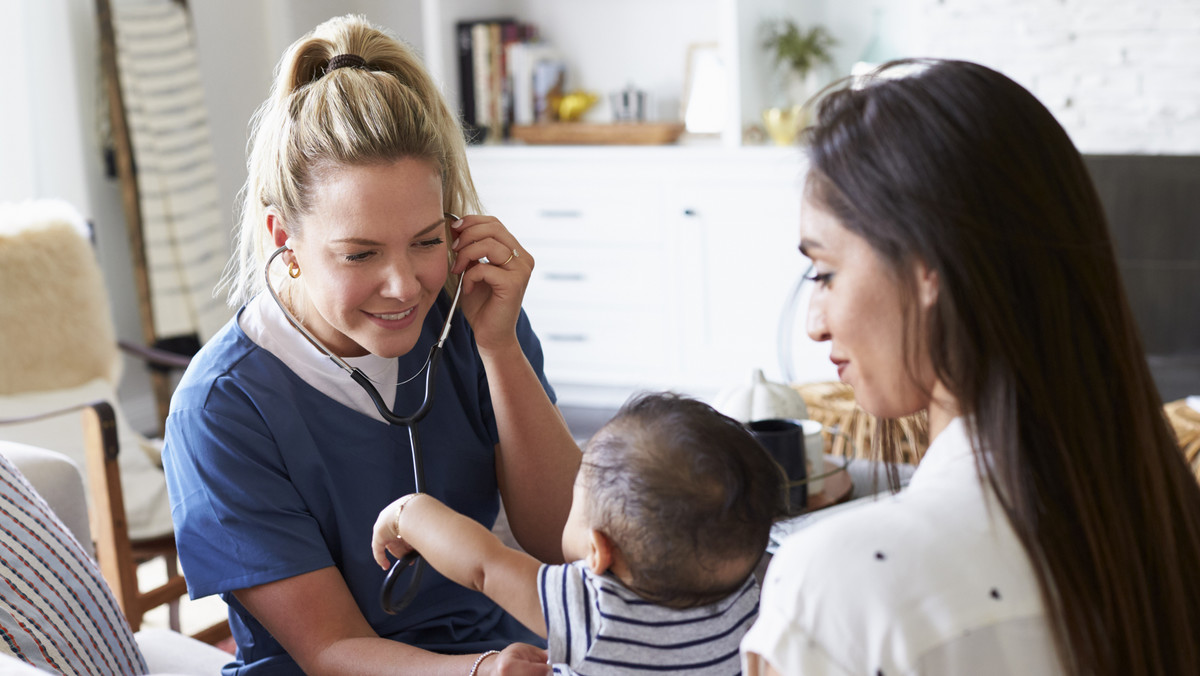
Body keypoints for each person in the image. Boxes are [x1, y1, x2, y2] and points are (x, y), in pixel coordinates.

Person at [741, 59, 1200, 676]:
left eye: (825, 273)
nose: (814, 323)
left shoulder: (834, 586)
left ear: (931, 266)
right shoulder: (1168, 525)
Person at [161, 14, 580, 675]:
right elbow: (329, 648)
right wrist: (477, 672)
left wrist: (500, 348)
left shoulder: (472, 317)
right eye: (359, 253)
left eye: (425, 241)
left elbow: (564, 538)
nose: (403, 286)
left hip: (500, 655)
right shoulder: (220, 411)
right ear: (283, 239)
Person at [372, 392, 787, 675]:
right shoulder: (745, 596)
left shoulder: (592, 606)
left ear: (598, 550)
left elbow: (484, 564)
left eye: (575, 499)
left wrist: (411, 513)